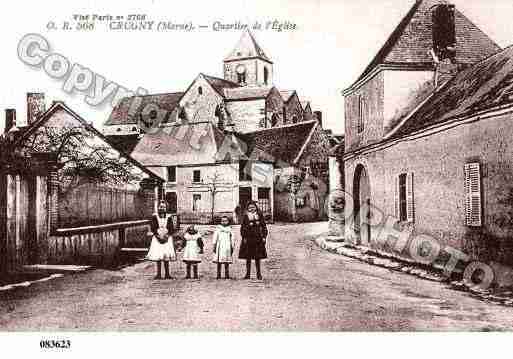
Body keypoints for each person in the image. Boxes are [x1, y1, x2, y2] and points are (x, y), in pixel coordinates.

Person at [146, 201, 176, 280]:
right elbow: (153, 227)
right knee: (158, 256)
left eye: (163, 207)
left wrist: (167, 236)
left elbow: (171, 228)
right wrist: (158, 236)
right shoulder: (155, 217)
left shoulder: (169, 217)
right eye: (160, 207)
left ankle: (167, 274)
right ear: (158, 208)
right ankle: (158, 274)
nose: (162, 208)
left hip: (166, 238)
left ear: (166, 208)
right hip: (157, 237)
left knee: (166, 256)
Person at [239, 201, 268, 280]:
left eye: (253, 207)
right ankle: (247, 274)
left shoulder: (259, 216)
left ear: (256, 208)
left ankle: (259, 274)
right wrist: (244, 237)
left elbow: (264, 226)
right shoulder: (246, 216)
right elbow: (242, 228)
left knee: (257, 257)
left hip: (257, 239)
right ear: (247, 209)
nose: (251, 209)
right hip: (248, 239)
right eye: (250, 208)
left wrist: (264, 236)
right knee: (248, 257)